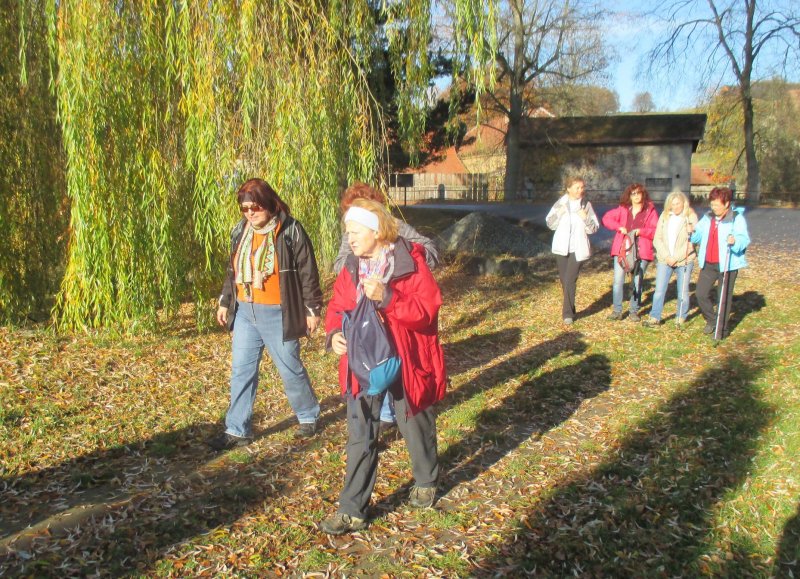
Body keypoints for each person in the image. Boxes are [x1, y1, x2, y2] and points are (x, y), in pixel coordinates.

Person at [320, 196, 447, 535]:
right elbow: (337, 306)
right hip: (362, 360)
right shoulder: (351, 266)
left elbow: (427, 312)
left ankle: (425, 480)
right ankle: (352, 510)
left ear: (376, 231)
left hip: (405, 356)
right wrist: (334, 333)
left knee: (413, 420)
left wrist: (389, 298)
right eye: (347, 232)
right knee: (361, 433)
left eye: (355, 231)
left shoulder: (409, 261)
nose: (350, 238)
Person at [210, 178, 324, 451]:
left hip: (279, 313)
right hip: (246, 312)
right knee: (241, 371)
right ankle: (237, 430)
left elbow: (308, 272)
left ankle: (308, 415)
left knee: (290, 368)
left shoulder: (290, 231)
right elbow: (233, 270)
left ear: (270, 203)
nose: (250, 213)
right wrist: (226, 301)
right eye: (245, 208)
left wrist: (312, 309)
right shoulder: (241, 231)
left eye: (255, 207)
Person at [333, 182, 439, 432]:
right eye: (349, 217)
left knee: (401, 379)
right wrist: (353, 269)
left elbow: (430, 252)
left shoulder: (395, 230)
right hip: (364, 328)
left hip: (397, 326)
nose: (350, 229)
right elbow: (340, 271)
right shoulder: (354, 235)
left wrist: (402, 264)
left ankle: (392, 413)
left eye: (358, 211)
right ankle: (381, 414)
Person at [690, 186, 750, 339]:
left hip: (727, 264)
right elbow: (697, 236)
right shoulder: (708, 217)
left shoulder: (736, 218)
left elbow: (744, 240)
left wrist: (735, 240)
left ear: (727, 203)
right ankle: (712, 320)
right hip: (708, 263)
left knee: (723, 298)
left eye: (717, 204)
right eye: (712, 203)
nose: (713, 207)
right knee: (700, 294)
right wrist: (691, 232)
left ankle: (721, 330)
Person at [545, 176, 600, 325]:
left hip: (578, 248)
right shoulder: (560, 203)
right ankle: (571, 307)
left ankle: (567, 314)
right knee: (564, 281)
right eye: (577, 188)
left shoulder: (586, 205)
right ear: (568, 188)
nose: (580, 191)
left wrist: (585, 218)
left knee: (570, 280)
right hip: (561, 248)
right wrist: (559, 213)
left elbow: (594, 228)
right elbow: (550, 223)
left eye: (582, 187)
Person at [602, 183, 659, 322]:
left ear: (643, 194)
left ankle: (634, 310)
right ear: (629, 195)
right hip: (622, 250)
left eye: (639, 193)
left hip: (641, 251)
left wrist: (641, 232)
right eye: (633, 194)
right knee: (618, 281)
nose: (636, 196)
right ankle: (617, 310)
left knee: (637, 281)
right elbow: (606, 219)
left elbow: (655, 230)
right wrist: (619, 227)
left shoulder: (650, 210)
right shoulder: (623, 209)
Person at [643, 191, 698, 328]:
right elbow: (657, 239)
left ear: (683, 203)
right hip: (664, 259)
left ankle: (680, 316)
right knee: (659, 290)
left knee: (683, 291)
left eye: (678, 203)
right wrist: (667, 256)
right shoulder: (665, 216)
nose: (675, 206)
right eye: (672, 204)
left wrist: (676, 257)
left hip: (684, 260)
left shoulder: (690, 217)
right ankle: (655, 316)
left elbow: (692, 243)